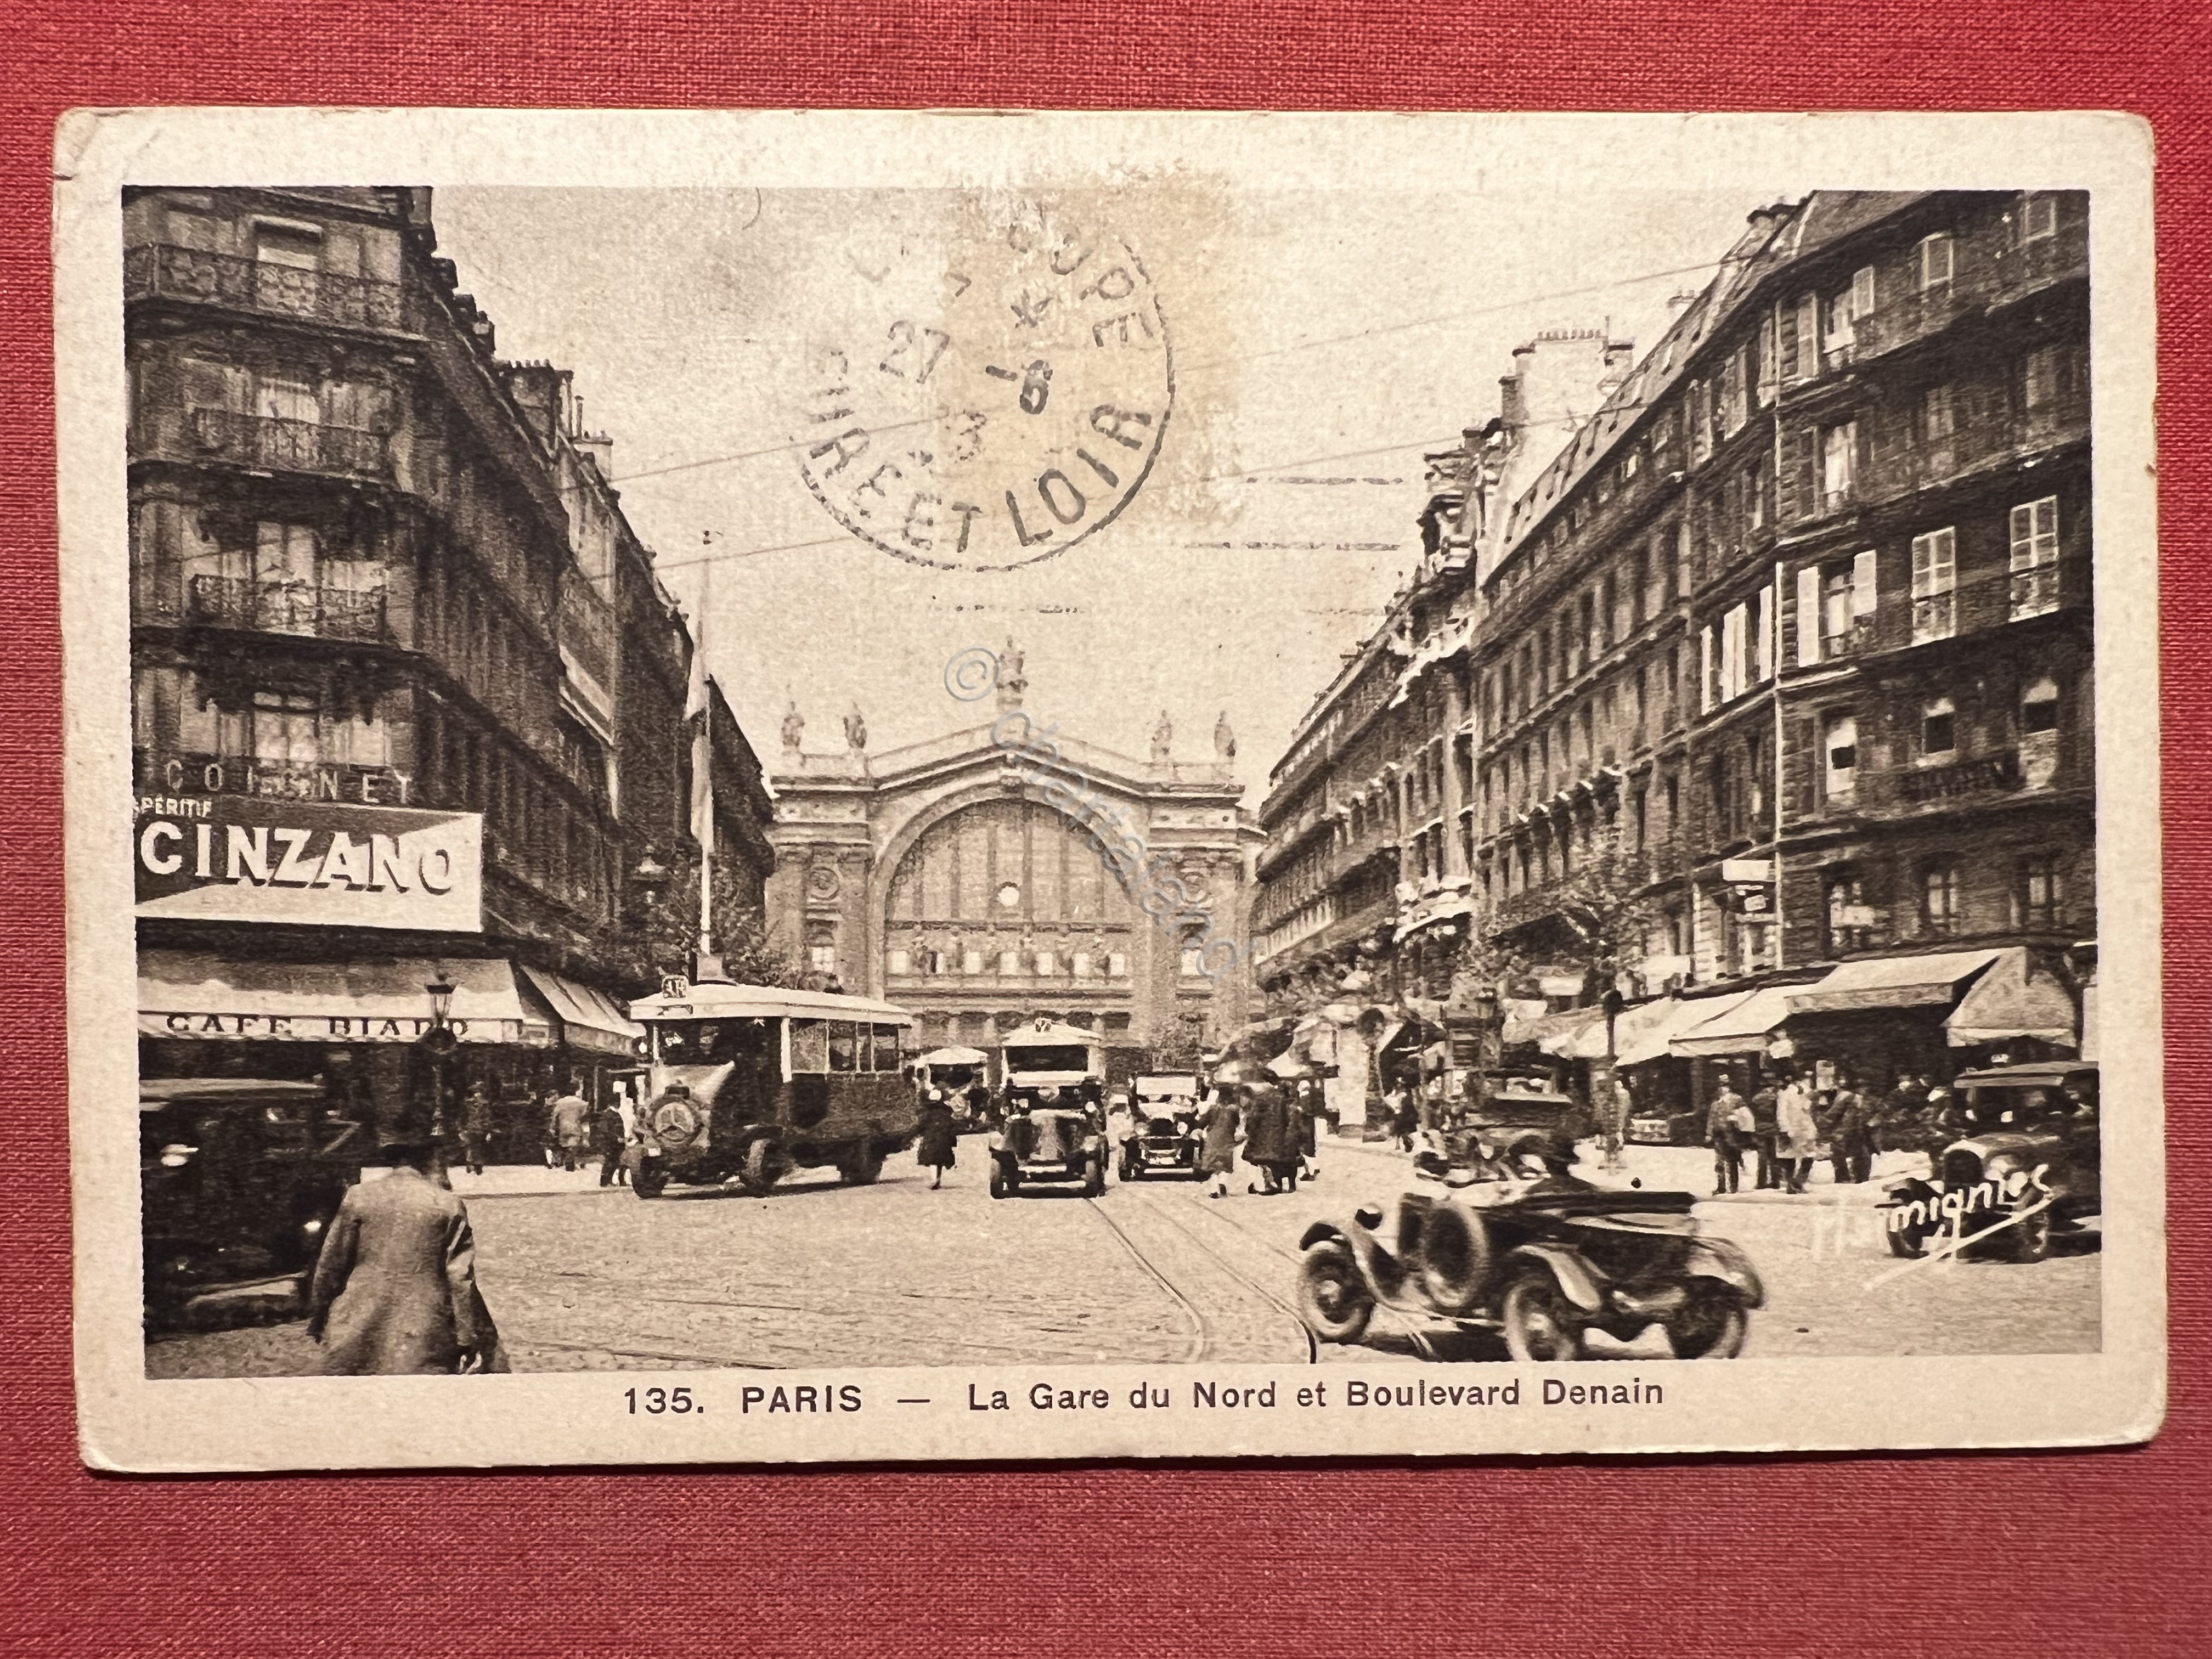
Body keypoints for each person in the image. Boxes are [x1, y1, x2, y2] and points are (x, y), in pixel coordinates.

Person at [305, 1132, 509, 1375]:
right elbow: (459, 1276)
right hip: (424, 1326)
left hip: (356, 1321)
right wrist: (467, 1334)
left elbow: (331, 1263)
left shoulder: (358, 1197)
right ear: (430, 1159)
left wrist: (319, 1315)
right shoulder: (447, 1203)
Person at [1240, 1081, 1297, 1195]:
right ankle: (1289, 1185)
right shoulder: (1287, 1100)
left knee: (1265, 1160)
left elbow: (1253, 1119)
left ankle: (1272, 1185)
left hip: (1265, 1135)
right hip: (1284, 1134)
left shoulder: (1261, 1100)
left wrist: (1250, 1131)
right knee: (1284, 1159)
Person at [1776, 1074, 1820, 1194]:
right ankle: (1795, 1182)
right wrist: (1785, 1128)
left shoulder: (1805, 1094)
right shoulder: (1786, 1094)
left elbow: (1807, 1108)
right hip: (1796, 1129)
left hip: (1802, 1128)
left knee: (1801, 1155)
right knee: (1795, 1156)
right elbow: (1782, 1112)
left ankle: (1795, 1182)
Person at [1826, 1074, 1873, 1184]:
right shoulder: (1861, 1098)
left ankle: (1843, 1176)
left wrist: (1826, 1119)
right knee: (1859, 1151)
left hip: (1844, 1128)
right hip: (1858, 1127)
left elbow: (1834, 1113)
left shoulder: (1845, 1096)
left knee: (1839, 1152)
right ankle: (1862, 1176)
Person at [1197, 1084, 1240, 1199]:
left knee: (1213, 1166)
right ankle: (1222, 1183)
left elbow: (1202, 1123)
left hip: (1213, 1139)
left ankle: (1214, 1190)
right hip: (1227, 1140)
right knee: (1225, 1165)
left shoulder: (1213, 1110)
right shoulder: (1234, 1111)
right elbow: (1237, 1124)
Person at [1706, 1077, 1747, 1194]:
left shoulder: (1737, 1100)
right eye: (1721, 1086)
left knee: (1732, 1160)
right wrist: (1709, 1133)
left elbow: (1745, 1115)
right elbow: (1711, 1120)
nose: (1723, 1089)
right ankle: (1721, 1186)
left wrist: (1736, 1120)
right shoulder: (1715, 1104)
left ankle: (1733, 1186)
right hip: (1719, 1135)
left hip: (1733, 1134)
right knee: (1719, 1162)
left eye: (1725, 1086)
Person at [916, 1089, 958, 1189]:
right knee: (940, 1161)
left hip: (932, 1139)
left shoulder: (928, 1114)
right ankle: (937, 1179)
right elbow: (953, 1125)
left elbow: (921, 1126)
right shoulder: (946, 1112)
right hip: (945, 1140)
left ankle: (935, 1180)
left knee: (932, 1159)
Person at [547, 1081, 590, 1173]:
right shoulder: (581, 1103)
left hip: (563, 1127)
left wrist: (552, 1127)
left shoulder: (559, 1103)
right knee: (573, 1147)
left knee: (566, 1146)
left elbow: (555, 1116)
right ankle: (571, 1165)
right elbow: (583, 1116)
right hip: (575, 1126)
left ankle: (567, 1163)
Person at [1747, 1077, 1781, 1190]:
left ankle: (1761, 1182)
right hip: (1773, 1129)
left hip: (1760, 1129)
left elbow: (1752, 1114)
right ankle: (1775, 1181)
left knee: (1762, 1157)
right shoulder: (1775, 1099)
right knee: (1774, 1156)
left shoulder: (1756, 1099)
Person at [457, 1081, 494, 1177]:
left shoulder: (484, 1106)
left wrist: (489, 1129)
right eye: (476, 1092)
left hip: (480, 1129)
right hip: (471, 1129)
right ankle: (472, 1164)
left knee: (478, 1146)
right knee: (471, 1146)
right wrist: (461, 1129)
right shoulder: (468, 1105)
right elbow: (462, 1117)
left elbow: (488, 1118)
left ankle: (476, 1164)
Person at [594, 1096, 629, 1187]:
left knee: (614, 1161)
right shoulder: (609, 1115)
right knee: (611, 1161)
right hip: (611, 1142)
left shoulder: (613, 1114)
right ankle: (605, 1181)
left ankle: (608, 1180)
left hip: (614, 1142)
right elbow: (607, 1131)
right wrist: (616, 1138)